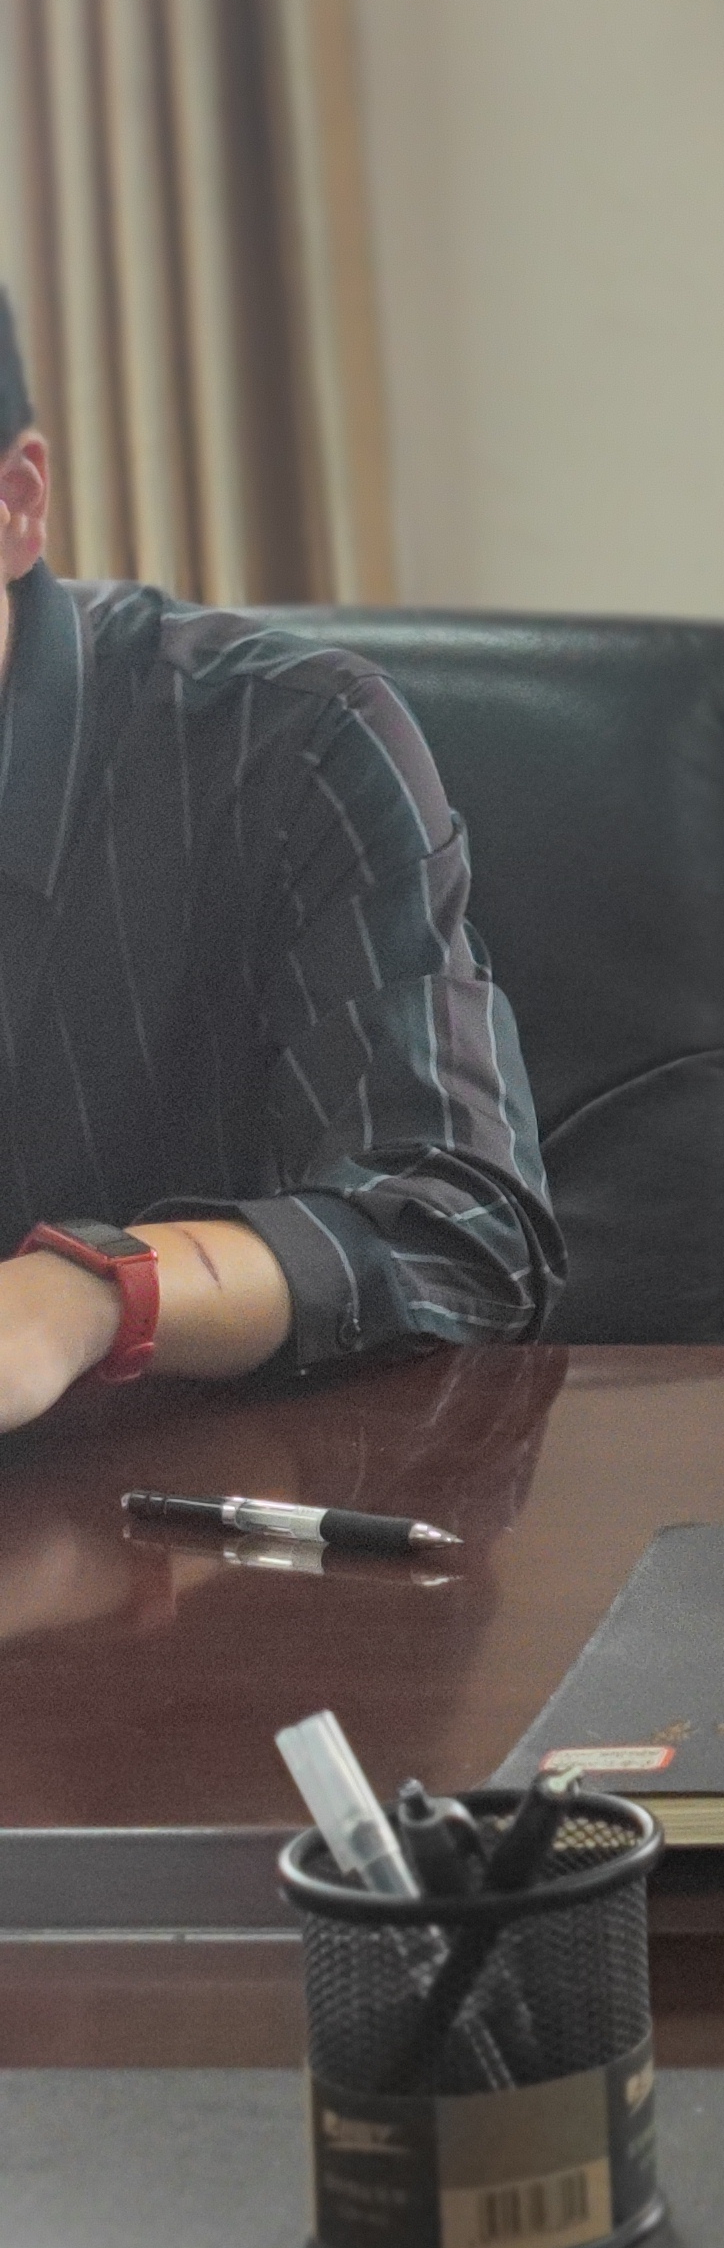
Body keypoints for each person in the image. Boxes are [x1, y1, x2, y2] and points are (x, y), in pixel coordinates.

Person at [0, 287, 562, 1434]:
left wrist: (86, 1295)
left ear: (17, 504)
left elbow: (457, 1225)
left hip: (173, 1500)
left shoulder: (289, 738)